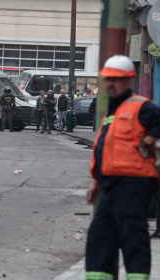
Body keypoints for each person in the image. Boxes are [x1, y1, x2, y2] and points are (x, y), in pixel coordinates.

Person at [85, 55, 160, 280]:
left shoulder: (140, 106)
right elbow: (106, 151)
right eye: (108, 79)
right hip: (110, 185)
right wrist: (96, 182)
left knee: (132, 237)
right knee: (100, 238)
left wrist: (148, 142)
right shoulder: (112, 114)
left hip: (134, 184)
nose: (110, 83)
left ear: (129, 81)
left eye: (116, 79)